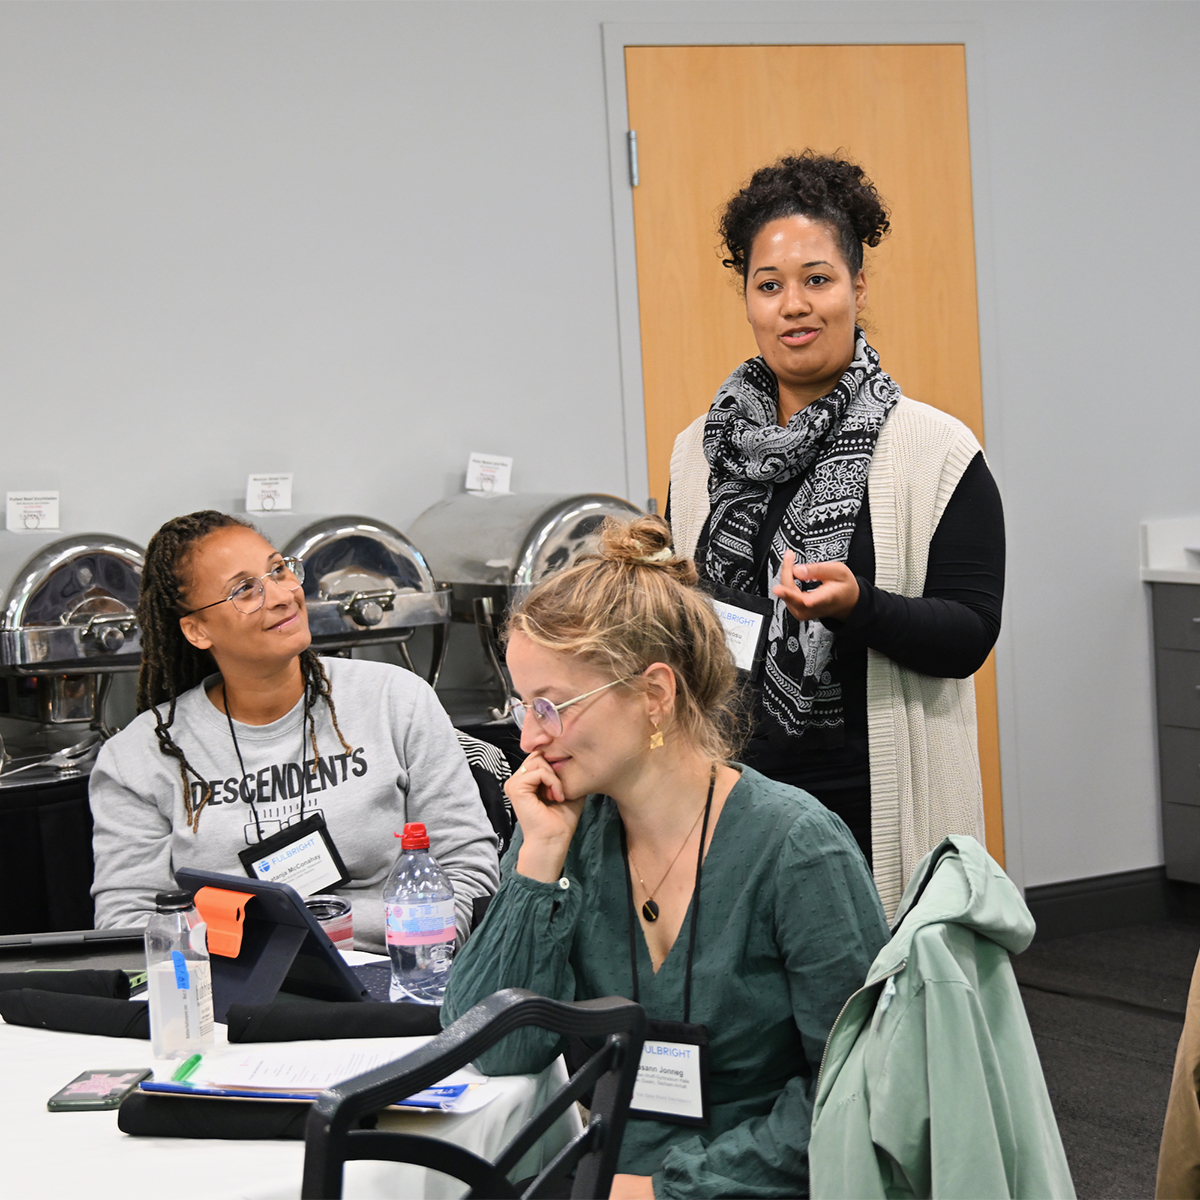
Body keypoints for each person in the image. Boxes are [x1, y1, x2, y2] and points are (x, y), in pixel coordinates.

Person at [442, 515, 888, 1200]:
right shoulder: (573, 832)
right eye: (522, 707)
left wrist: (661, 1193)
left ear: (654, 695)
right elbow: (495, 1052)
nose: (528, 738)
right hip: (609, 1180)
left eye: (550, 707)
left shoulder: (796, 848)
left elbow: (854, 1092)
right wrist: (539, 859)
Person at [668, 152, 1005, 915]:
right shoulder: (699, 452)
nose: (795, 305)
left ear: (858, 286)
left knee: (870, 1025)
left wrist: (860, 607)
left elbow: (969, 634)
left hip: (872, 801)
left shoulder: (933, 450)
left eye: (817, 279)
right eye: (770, 284)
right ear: (748, 298)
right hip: (730, 795)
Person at [89, 510, 499, 951]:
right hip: (229, 993)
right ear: (197, 629)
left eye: (279, 570)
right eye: (245, 590)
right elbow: (127, 924)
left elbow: (468, 874)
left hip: (402, 976)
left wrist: (288, 933)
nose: (283, 595)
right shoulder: (139, 757)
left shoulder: (395, 700)